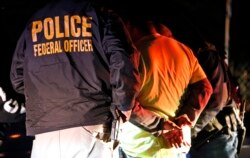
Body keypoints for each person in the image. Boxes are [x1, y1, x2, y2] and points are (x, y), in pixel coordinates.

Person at [9, 0, 140, 158]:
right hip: (90, 123)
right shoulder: (100, 14)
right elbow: (122, 59)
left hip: (44, 135)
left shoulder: (34, 21)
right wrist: (124, 104)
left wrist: (47, 98)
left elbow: (17, 79)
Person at [118, 18, 212, 158]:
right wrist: (187, 117)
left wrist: (160, 125)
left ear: (132, 28)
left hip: (138, 147)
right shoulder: (185, 51)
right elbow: (205, 88)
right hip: (176, 145)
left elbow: (125, 103)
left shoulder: (132, 53)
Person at [188, 42, 245, 158]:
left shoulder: (205, 56)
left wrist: (189, 131)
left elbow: (216, 102)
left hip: (213, 138)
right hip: (213, 137)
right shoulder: (206, 55)